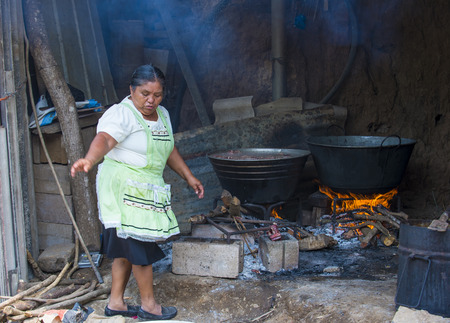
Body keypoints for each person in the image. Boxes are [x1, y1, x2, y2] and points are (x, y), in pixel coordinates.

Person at [71, 64, 204, 321]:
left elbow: (168, 149)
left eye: (157, 95)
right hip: (123, 189)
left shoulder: (162, 115)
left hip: (145, 189)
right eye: (144, 93)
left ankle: (116, 303)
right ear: (131, 90)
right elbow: (106, 140)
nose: (151, 100)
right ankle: (149, 306)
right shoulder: (122, 114)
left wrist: (189, 176)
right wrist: (90, 159)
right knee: (139, 247)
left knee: (126, 246)